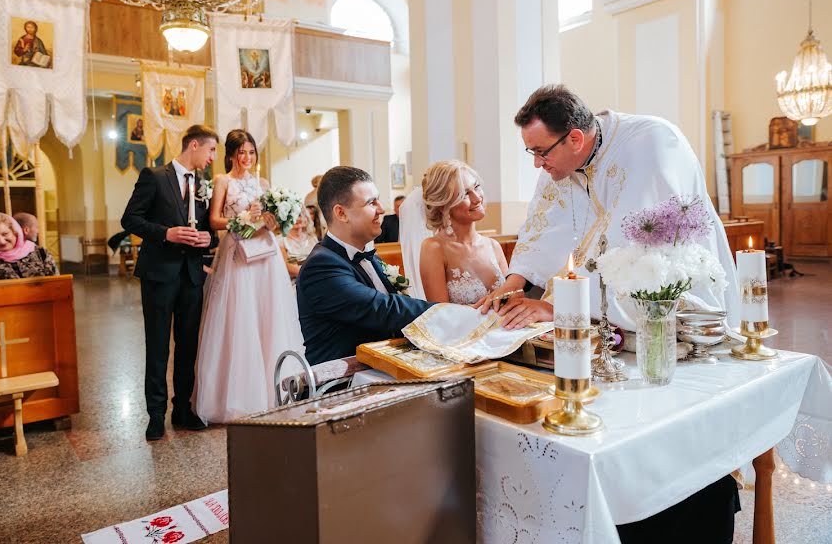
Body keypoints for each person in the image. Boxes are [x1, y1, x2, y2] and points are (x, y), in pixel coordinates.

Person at [479, 84, 740, 542]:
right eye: (531, 153)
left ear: (574, 139)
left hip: (677, 300)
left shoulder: (652, 144)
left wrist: (553, 305)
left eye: (540, 153)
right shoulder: (562, 156)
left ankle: (678, 492)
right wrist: (513, 282)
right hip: (613, 318)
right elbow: (546, 225)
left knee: (670, 406)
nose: (537, 164)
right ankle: (625, 500)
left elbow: (634, 254)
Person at [193, 129, 304, 423]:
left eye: (251, 152)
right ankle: (239, 396)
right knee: (240, 316)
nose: (247, 158)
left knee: (268, 315)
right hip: (238, 251)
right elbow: (215, 220)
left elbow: (275, 225)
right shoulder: (223, 181)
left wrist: (272, 220)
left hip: (266, 255)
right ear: (231, 155)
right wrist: (244, 220)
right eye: (241, 152)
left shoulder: (263, 182)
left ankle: (273, 389)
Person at [121, 124, 218, 441]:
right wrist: (166, 233)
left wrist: (208, 237)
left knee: (188, 346)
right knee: (159, 346)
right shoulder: (155, 176)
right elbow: (130, 219)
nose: (212, 158)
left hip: (191, 275)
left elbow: (209, 230)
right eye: (211, 150)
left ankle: (183, 410)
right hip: (159, 274)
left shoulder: (203, 185)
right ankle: (155, 416)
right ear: (194, 145)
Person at [297, 166, 434, 365]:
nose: (381, 209)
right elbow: (384, 309)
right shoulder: (321, 266)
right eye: (371, 202)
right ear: (341, 213)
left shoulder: (368, 257)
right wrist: (447, 312)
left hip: (383, 370)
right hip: (343, 385)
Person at [405, 161, 508, 304]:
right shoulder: (434, 248)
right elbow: (442, 313)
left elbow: (510, 298)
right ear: (443, 205)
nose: (477, 198)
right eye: (464, 194)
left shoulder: (493, 245)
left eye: (476, 187)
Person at [0, 213, 58, 281]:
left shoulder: (40, 253)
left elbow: (55, 283)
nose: (1, 241)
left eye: (5, 234)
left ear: (15, 232)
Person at [280, 208, 319, 281]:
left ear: (305, 218)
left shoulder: (312, 238)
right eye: (291, 216)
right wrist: (313, 275)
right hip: (297, 282)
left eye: (299, 215)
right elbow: (289, 267)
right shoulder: (281, 241)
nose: (296, 219)